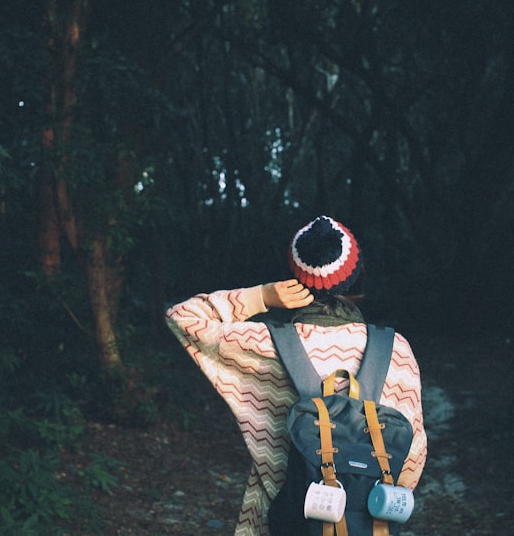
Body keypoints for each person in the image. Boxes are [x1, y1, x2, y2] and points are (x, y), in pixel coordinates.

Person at [166, 215, 427, 536]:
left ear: (293, 282)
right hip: (370, 524)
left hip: (278, 519)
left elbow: (182, 316)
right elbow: (413, 458)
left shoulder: (262, 344)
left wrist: (260, 296)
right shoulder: (395, 348)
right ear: (358, 277)